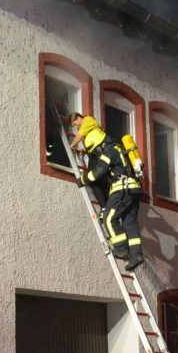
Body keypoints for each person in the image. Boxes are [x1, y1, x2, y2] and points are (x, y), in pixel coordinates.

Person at [75, 115, 144, 271]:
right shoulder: (122, 150)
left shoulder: (110, 151)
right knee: (129, 222)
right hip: (134, 190)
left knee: (108, 218)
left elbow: (99, 171)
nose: (97, 153)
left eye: (96, 150)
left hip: (122, 189)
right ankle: (136, 255)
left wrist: (84, 179)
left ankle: (121, 248)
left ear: (101, 145)